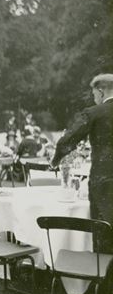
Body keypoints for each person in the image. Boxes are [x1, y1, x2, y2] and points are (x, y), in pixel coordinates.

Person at [51, 73, 113, 255]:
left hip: (104, 181)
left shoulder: (94, 113)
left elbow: (68, 140)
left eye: (94, 94)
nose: (94, 98)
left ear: (101, 91)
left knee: (104, 234)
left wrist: (55, 160)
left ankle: (104, 281)